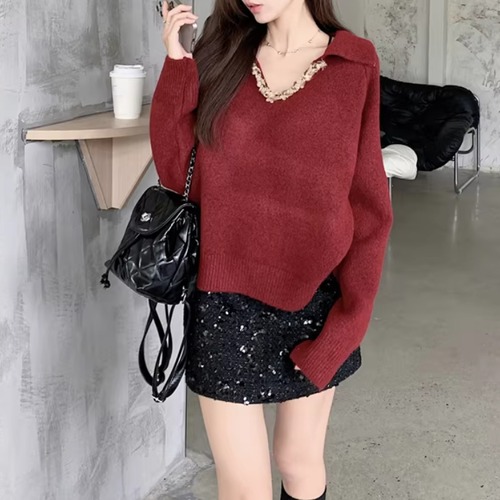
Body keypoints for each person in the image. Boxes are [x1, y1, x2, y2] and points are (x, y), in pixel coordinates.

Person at [150, 0, 393, 498]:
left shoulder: (353, 63)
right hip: (223, 307)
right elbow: (179, 176)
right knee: (245, 488)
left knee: (298, 462)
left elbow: (369, 210)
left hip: (315, 304)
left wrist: (347, 326)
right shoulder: (222, 54)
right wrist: (177, 65)